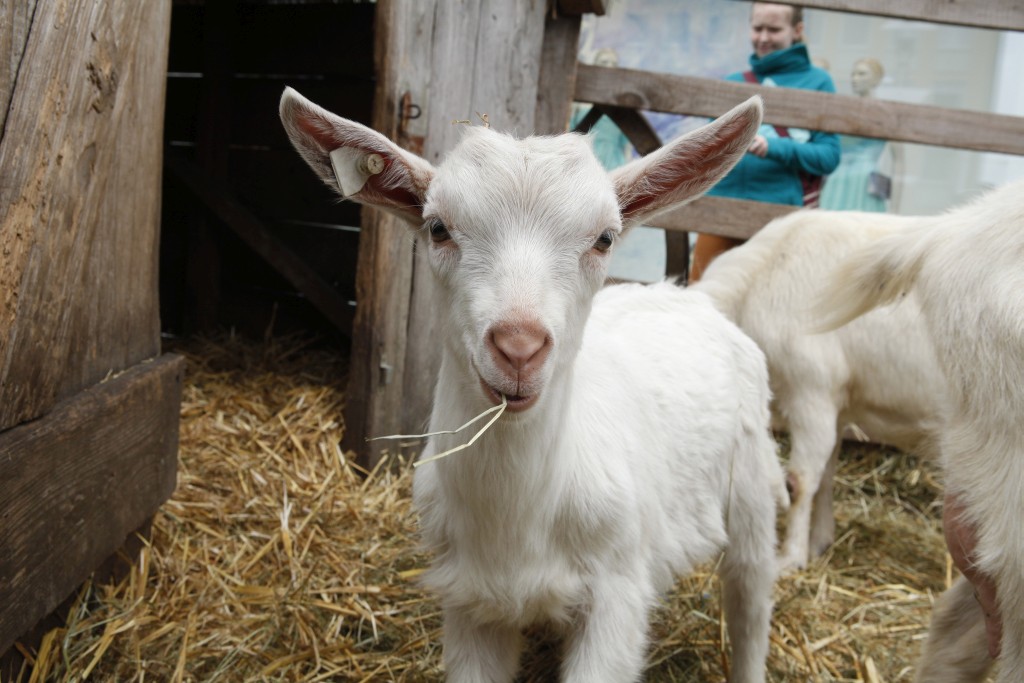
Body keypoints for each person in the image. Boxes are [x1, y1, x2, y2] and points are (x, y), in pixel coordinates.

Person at [689, 2, 840, 282]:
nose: (763, 38)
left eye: (774, 29)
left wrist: (773, 148)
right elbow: (709, 152)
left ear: (797, 30)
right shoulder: (734, 81)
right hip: (720, 210)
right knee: (700, 294)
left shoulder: (819, 82)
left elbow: (829, 157)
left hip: (779, 219)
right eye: (757, 28)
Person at [820, 58, 904, 212]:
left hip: (864, 181)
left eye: (862, 74)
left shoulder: (887, 115)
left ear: (876, 80)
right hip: (836, 180)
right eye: (853, 74)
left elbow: (898, 162)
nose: (855, 79)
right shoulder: (843, 111)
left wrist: (895, 209)